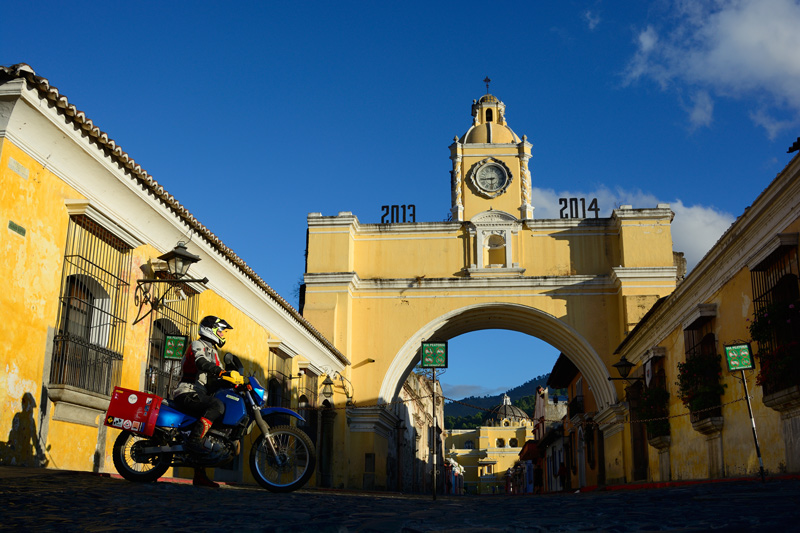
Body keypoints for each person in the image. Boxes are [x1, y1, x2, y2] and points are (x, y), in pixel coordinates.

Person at [172, 315, 236, 487]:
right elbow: (200, 362)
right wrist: (221, 372)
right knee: (216, 405)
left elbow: (216, 378)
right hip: (187, 392)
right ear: (211, 330)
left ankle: (199, 475)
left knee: (212, 429)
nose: (223, 334)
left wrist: (236, 381)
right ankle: (194, 442)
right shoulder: (197, 344)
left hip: (199, 394)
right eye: (221, 331)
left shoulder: (215, 352)